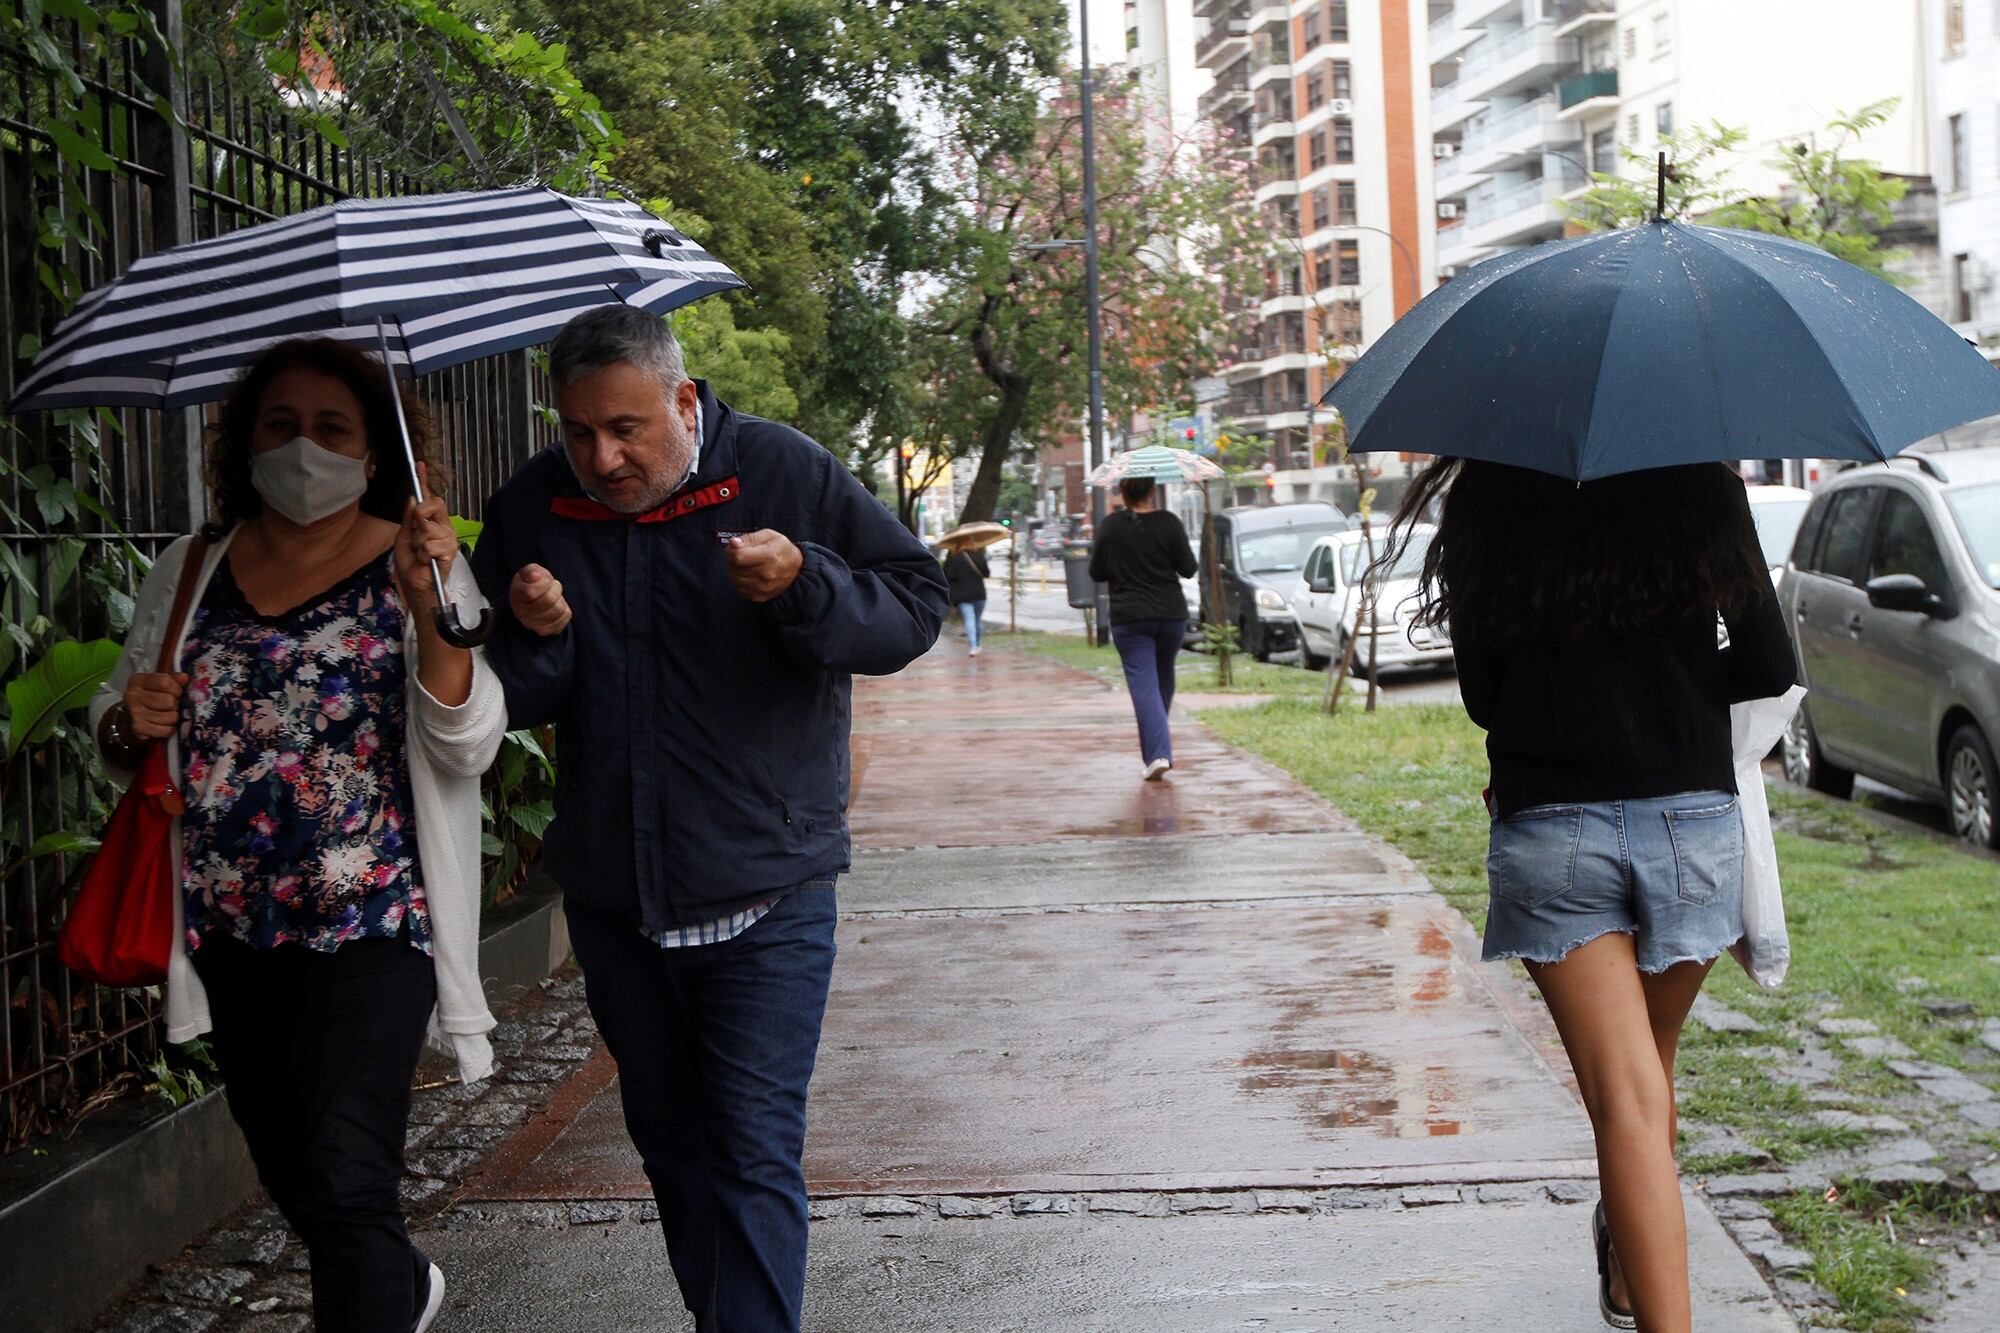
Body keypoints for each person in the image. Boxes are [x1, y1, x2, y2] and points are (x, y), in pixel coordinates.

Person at [469, 304, 948, 1332]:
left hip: (767, 890)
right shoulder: (533, 505)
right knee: (678, 1155)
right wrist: (538, 634)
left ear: (683, 401)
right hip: (616, 901)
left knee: (750, 1149)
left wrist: (804, 583)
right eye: (579, 431)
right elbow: (503, 692)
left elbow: (912, 608)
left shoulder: (780, 471)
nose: (601, 456)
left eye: (627, 428)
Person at [90, 338, 504, 1333]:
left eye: (332, 427)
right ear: (243, 442)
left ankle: (375, 1289)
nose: (303, 447)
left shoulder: (421, 562)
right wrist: (126, 718)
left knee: (348, 1174)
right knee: (288, 1163)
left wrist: (429, 606)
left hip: (374, 920)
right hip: (230, 926)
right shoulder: (192, 566)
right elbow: (118, 716)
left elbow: (470, 737)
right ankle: (399, 1284)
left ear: (376, 451)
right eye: (280, 425)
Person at [1385, 459, 1797, 1332]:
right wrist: (1670, 686)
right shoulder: (1700, 480)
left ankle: (1634, 1265)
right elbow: (1767, 662)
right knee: (1647, 1069)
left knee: (1627, 1093)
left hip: (1552, 831)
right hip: (1691, 827)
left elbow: (1483, 695)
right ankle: (1627, 1256)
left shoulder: (1495, 489)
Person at [1089, 476, 1198, 780]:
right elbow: (1188, 568)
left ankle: (1158, 753)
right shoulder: (1170, 522)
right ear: (1152, 490)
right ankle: (1156, 747)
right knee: (1163, 679)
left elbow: (1096, 571)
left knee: (1144, 687)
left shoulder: (1111, 526)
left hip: (1131, 617)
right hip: (1171, 614)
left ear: (1123, 492)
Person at [943, 543, 990, 655]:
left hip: (963, 594)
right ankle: (978, 644)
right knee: (977, 619)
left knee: (969, 620)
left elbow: (949, 576)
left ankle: (973, 646)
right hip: (979, 594)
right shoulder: (979, 556)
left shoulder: (955, 559)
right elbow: (986, 573)